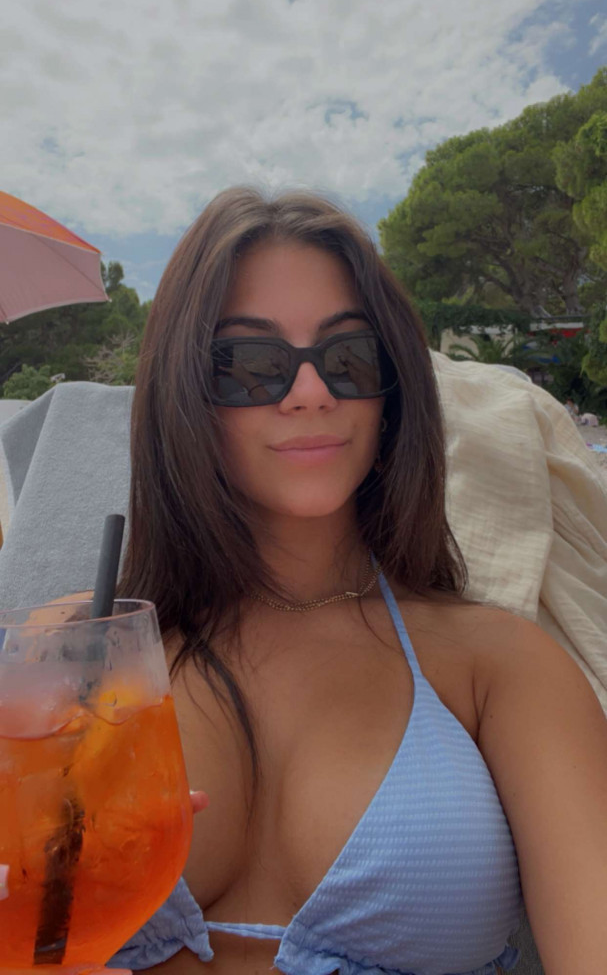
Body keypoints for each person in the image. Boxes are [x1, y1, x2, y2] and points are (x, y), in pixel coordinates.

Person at [61, 189, 607, 973]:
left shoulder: (498, 667)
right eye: (250, 365)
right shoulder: (78, 656)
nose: (311, 391)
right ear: (184, 395)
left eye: (349, 356)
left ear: (391, 391)